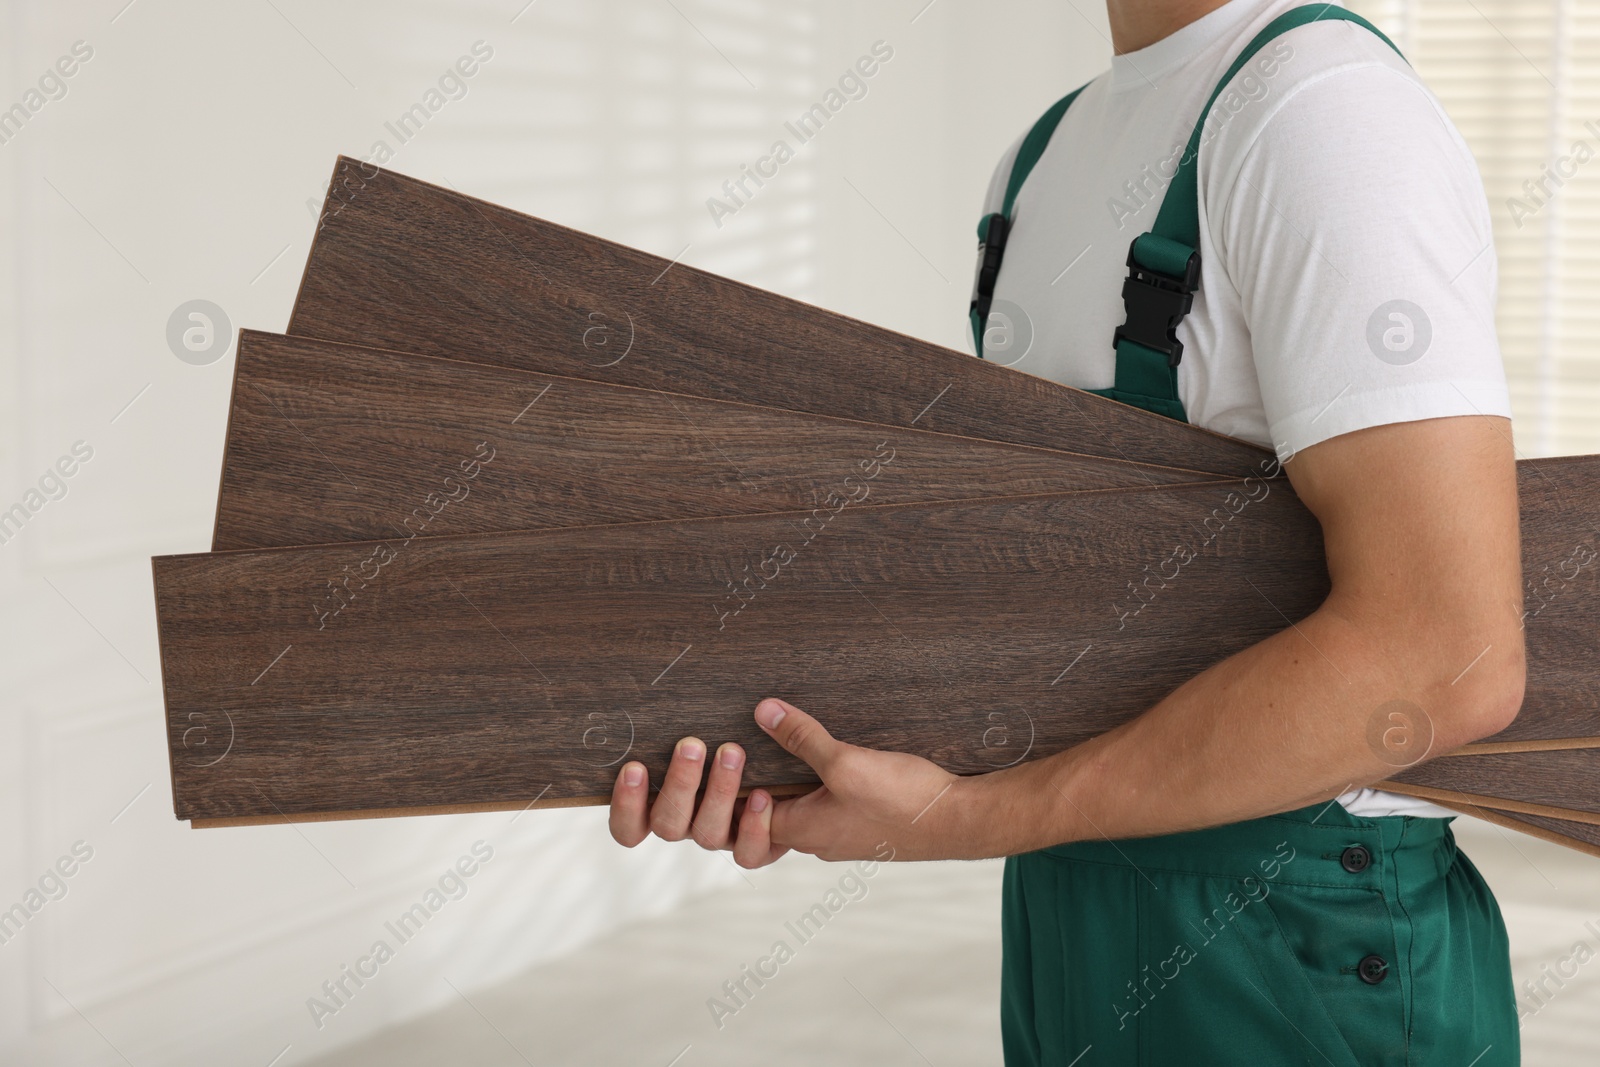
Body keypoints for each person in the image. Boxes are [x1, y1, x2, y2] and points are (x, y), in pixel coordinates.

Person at [609, 1, 1525, 1062]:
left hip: (1292, 934)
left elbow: (1445, 654)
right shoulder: (1039, 157)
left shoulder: (1322, 112)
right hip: (1067, 888)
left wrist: (959, 817)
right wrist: (759, 743)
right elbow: (1044, 587)